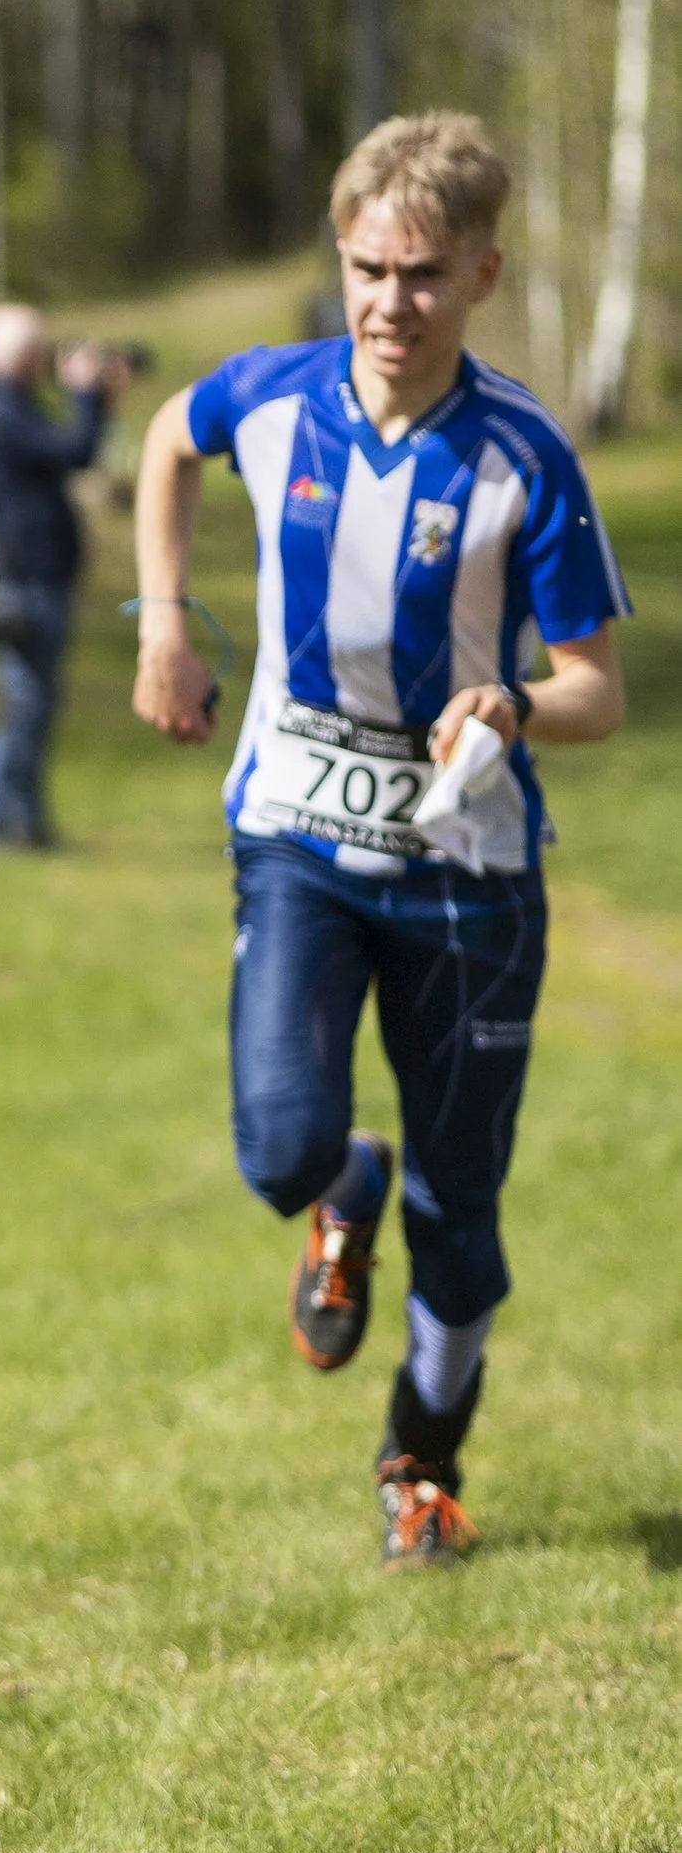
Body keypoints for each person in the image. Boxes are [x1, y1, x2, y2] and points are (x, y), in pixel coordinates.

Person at [131, 113, 627, 1568]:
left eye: (421, 275)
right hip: (295, 835)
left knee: (460, 1218)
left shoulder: (524, 456)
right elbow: (169, 435)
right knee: (281, 1137)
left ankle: (421, 1462)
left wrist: (521, 700)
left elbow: (599, 688)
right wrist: (164, 616)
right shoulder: (276, 403)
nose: (387, 304)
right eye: (365, 269)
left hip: (469, 881)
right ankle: (334, 1191)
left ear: (482, 274)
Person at [0, 304, 132, 849]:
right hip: (28, 578)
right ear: (25, 356)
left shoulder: (3, 408)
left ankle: (25, 824)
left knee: (33, 704)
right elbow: (76, 450)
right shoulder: (1, 413)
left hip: (33, 573)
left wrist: (98, 399)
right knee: (26, 705)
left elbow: (67, 446)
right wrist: (84, 393)